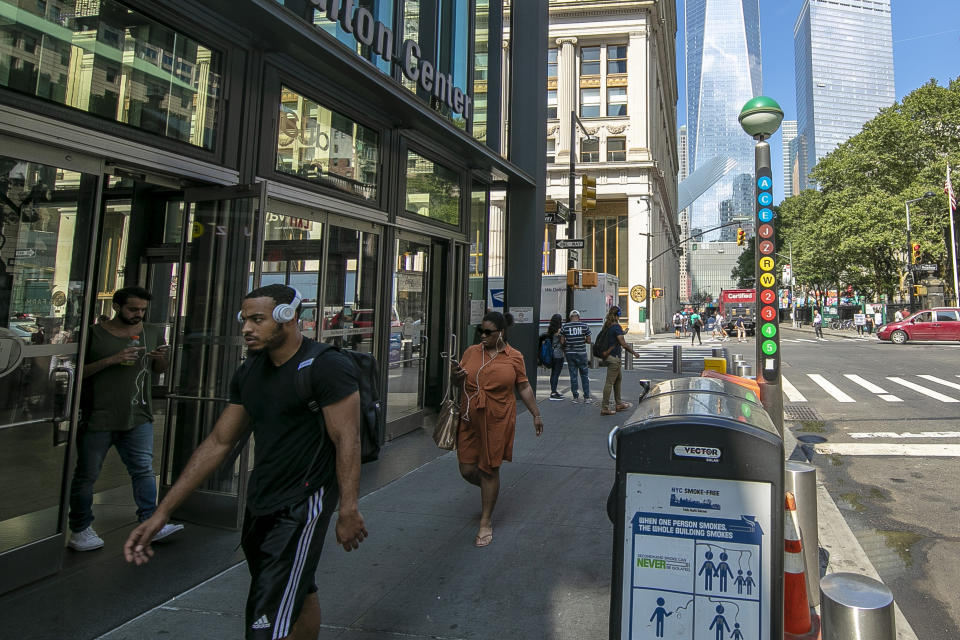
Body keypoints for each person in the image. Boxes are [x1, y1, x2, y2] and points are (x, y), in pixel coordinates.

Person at [124, 284, 368, 640]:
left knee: (264, 617)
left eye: (258, 319)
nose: (246, 328)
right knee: (298, 589)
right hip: (261, 499)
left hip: (303, 502)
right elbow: (219, 442)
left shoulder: (326, 366)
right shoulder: (251, 370)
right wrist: (163, 512)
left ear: (288, 318)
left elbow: (347, 439)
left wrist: (348, 508)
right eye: (245, 319)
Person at [68, 286, 181, 551]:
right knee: (87, 475)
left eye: (142, 310)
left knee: (142, 468)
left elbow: (158, 370)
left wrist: (162, 359)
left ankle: (150, 523)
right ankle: (81, 528)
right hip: (99, 415)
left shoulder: (152, 331)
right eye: (133, 309)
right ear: (117, 307)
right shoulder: (94, 334)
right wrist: (113, 359)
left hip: (138, 414)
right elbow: (76, 372)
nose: (138, 314)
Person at [452, 312, 542, 547]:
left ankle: (485, 520)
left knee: (490, 468)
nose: (482, 335)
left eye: (488, 332)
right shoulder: (471, 352)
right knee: (467, 468)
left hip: (498, 417)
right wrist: (456, 377)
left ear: (501, 333)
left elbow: (523, 386)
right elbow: (458, 382)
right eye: (480, 331)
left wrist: (536, 414)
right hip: (470, 415)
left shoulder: (514, 357)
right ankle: (489, 491)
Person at [597, 306, 639, 416]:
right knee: (610, 382)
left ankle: (619, 403)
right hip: (613, 358)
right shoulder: (616, 327)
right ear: (617, 315)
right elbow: (623, 343)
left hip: (608, 357)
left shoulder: (608, 325)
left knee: (618, 379)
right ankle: (604, 407)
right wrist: (634, 352)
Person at [561, 309, 594, 403]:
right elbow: (588, 340)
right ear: (579, 317)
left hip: (570, 354)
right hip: (582, 353)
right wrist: (581, 341)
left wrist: (569, 343)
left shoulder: (565, 327)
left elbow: (562, 341)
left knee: (573, 375)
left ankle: (575, 397)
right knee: (584, 375)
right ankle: (587, 397)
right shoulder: (584, 326)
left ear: (570, 317)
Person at [546, 313, 565, 400]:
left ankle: (553, 390)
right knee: (556, 374)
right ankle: (553, 392)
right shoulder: (559, 331)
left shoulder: (550, 330)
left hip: (551, 354)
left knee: (553, 373)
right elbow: (562, 342)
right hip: (558, 354)